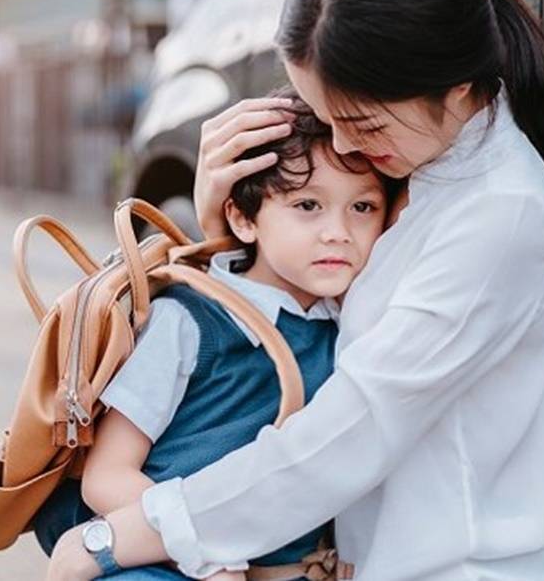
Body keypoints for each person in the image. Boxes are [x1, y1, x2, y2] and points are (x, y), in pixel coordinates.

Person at [45, 0, 544, 579]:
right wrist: (227, 227)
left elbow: (351, 430)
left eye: (359, 122)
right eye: (328, 119)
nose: (340, 146)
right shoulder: (423, 167)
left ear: (455, 86)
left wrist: (127, 535)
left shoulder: (499, 213)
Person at [32, 92, 389, 580]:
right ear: (243, 218)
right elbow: (106, 477)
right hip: (162, 560)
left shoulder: (352, 328)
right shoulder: (191, 320)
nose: (338, 231)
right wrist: (201, 552)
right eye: (308, 205)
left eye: (363, 207)